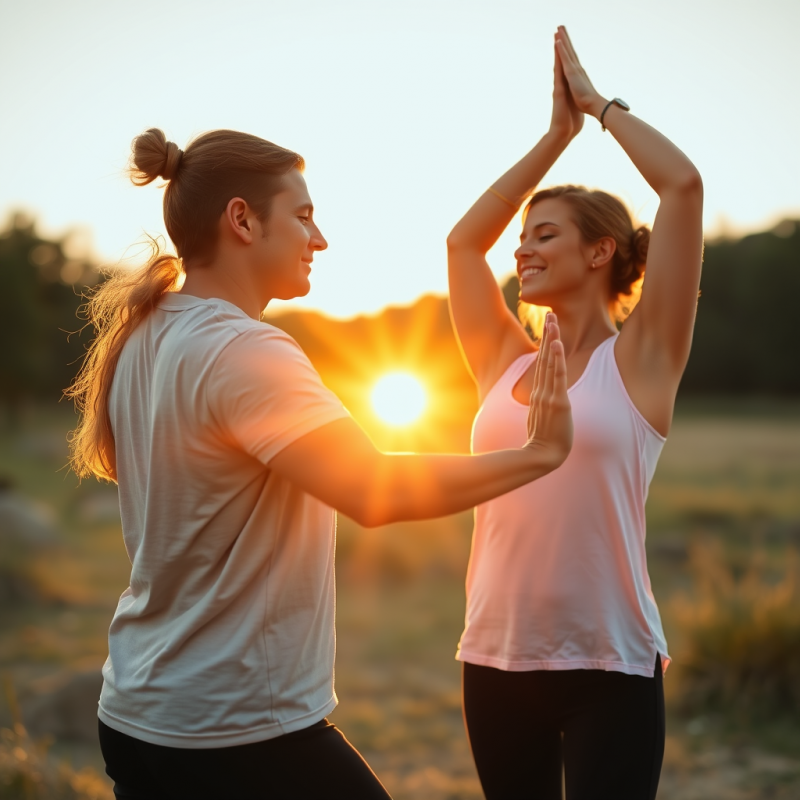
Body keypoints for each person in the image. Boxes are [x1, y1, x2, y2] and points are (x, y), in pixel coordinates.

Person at [65, 127, 573, 799]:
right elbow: (374, 490)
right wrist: (538, 454)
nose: (319, 237)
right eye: (302, 215)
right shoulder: (247, 350)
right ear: (242, 220)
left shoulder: (144, 335)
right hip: (236, 729)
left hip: (136, 715)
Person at [446, 26, 703, 800]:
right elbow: (463, 245)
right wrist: (552, 138)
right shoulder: (503, 360)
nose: (520, 250)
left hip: (609, 665)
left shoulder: (644, 361)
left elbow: (682, 187)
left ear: (601, 253)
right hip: (494, 657)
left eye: (544, 234)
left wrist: (597, 108)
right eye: (521, 237)